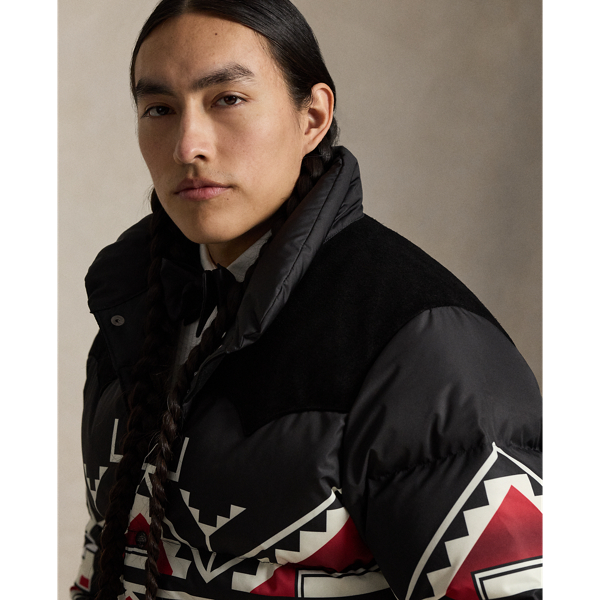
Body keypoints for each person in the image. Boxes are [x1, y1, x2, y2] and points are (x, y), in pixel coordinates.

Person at [72, 1, 543, 599]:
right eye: (160, 109)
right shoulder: (133, 311)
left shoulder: (424, 345)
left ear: (313, 117)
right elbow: (106, 559)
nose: (188, 145)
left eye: (227, 99)